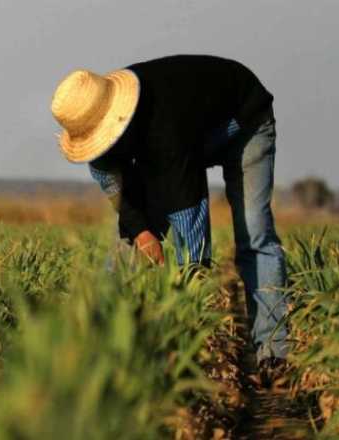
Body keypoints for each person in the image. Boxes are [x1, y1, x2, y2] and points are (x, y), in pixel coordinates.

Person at [49, 55, 290, 383]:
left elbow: (192, 226)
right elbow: (122, 199)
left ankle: (272, 355)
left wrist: (189, 306)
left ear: (117, 120)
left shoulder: (164, 129)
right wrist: (144, 235)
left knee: (253, 231)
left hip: (242, 121)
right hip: (188, 136)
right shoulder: (99, 147)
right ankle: (102, 348)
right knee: (126, 248)